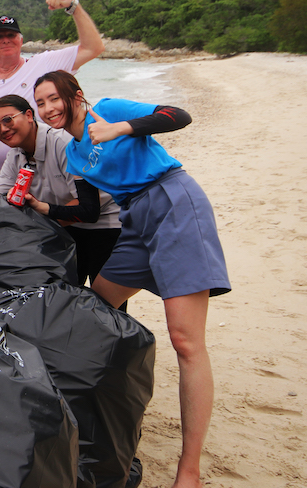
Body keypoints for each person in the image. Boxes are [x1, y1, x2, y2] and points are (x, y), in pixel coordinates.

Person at [33, 70, 230, 488]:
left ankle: (188, 472)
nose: (48, 109)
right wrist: (38, 206)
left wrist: (120, 128)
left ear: (76, 95)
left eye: (54, 98)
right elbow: (86, 209)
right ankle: (110, 401)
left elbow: (178, 114)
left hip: (173, 201)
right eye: (41, 103)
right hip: (134, 219)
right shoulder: (73, 154)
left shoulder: (108, 110)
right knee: (97, 306)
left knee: (186, 340)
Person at [0, 0, 105, 195]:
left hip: (35, 188)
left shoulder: (43, 64)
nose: (5, 40)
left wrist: (73, 6)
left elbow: (93, 48)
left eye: (11, 35)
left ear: (21, 40)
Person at [0, 94, 125, 306]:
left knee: (106, 301)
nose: (3, 129)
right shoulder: (16, 154)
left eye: (8, 120)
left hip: (104, 220)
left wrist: (34, 224)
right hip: (64, 222)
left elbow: (85, 206)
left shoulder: (61, 143)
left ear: (29, 115)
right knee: (64, 294)